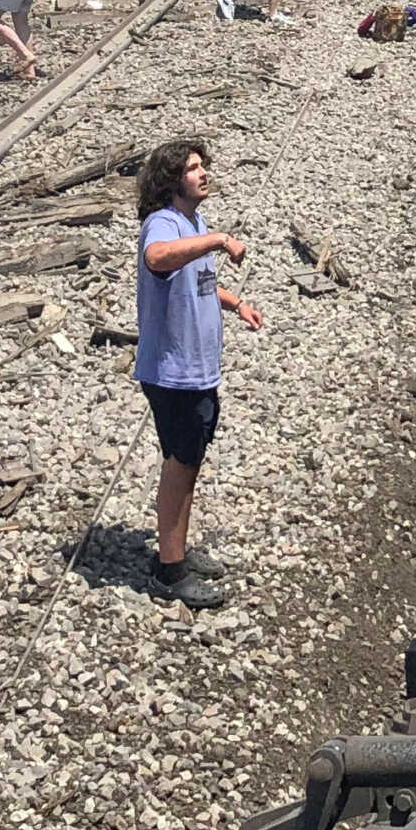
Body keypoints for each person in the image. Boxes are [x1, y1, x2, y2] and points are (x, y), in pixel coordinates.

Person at [133, 138, 263, 610]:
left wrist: (238, 304)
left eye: (203, 165)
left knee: (189, 461)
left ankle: (178, 551)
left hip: (199, 369)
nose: (203, 172)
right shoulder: (163, 223)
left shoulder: (193, 221)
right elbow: (158, 258)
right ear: (172, 180)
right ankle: (169, 572)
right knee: (179, 463)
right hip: (172, 372)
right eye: (192, 168)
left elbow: (200, 281)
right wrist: (217, 240)